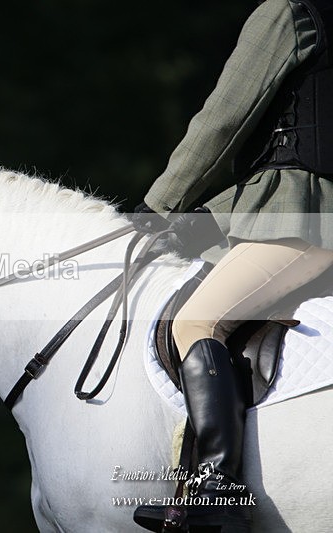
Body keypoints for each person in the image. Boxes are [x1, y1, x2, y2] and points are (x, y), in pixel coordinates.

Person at [131, 0, 333, 531]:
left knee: (194, 321)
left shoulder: (288, 12)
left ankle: (215, 485)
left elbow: (225, 118)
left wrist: (160, 203)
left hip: (304, 215)